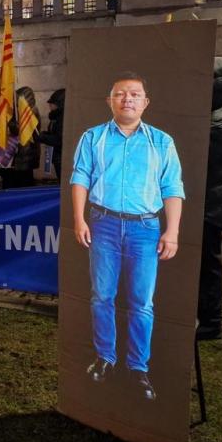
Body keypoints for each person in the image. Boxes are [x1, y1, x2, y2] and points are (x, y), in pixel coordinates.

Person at [71, 73, 184, 401]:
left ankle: (138, 367)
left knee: (141, 301)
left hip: (145, 229)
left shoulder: (161, 142)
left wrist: (173, 231)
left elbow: (172, 187)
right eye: (120, 94)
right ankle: (105, 357)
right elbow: (80, 177)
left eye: (134, 94)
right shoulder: (93, 138)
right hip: (102, 224)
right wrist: (79, 219)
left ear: (145, 102)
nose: (127, 99)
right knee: (102, 295)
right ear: (110, 101)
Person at [198, 57, 222, 340]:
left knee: (208, 261)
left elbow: (205, 157)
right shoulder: (221, 111)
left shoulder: (219, 118)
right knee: (206, 258)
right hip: (214, 196)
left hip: (212, 198)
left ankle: (211, 322)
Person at [0, 86, 41, 189]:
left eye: (17, 99)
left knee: (24, 182)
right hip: (20, 153)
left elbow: (19, 131)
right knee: (16, 179)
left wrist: (11, 123)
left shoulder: (31, 113)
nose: (15, 101)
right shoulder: (20, 112)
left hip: (26, 153)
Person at [39, 88, 65, 183]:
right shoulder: (56, 116)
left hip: (61, 156)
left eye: (52, 103)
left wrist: (42, 137)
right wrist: (44, 135)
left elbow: (59, 138)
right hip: (57, 155)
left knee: (63, 181)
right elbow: (55, 133)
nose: (49, 105)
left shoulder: (62, 118)